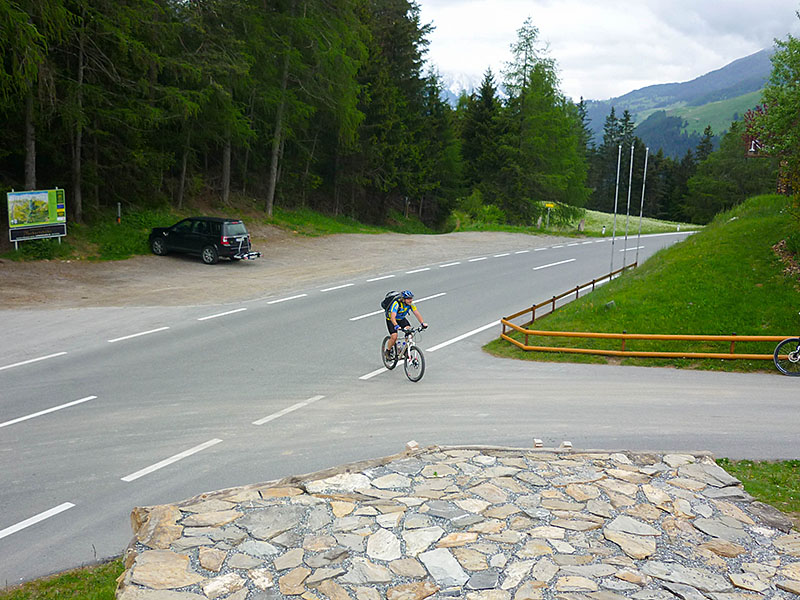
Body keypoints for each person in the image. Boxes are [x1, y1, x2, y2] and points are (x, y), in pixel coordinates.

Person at [385, 290, 427, 358]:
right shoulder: (396, 304)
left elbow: (416, 313)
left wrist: (422, 323)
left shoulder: (411, 304)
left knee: (409, 333)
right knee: (394, 336)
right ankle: (388, 351)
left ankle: (405, 350)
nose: (410, 300)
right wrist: (396, 325)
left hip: (401, 319)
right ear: (403, 299)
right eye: (408, 299)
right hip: (391, 320)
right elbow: (392, 317)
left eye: (411, 298)